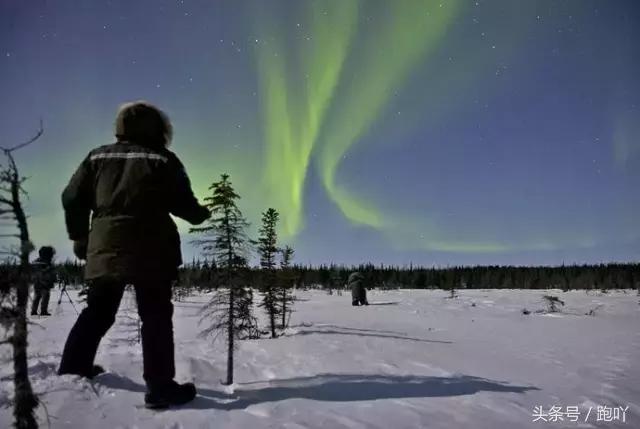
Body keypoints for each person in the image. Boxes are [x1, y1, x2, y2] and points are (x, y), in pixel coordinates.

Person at [57, 101, 210, 409]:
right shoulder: (163, 159)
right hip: (152, 250)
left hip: (105, 247)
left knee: (98, 311)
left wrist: (79, 236)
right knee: (154, 317)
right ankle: (160, 386)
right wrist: (200, 214)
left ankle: (74, 368)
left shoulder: (97, 156)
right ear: (159, 128)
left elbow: (72, 196)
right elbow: (183, 203)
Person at [31, 246, 57, 316]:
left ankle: (34, 311)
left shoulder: (38, 262)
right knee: (44, 297)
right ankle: (42, 311)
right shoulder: (43, 263)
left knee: (37, 297)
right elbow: (41, 273)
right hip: (43, 283)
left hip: (39, 283)